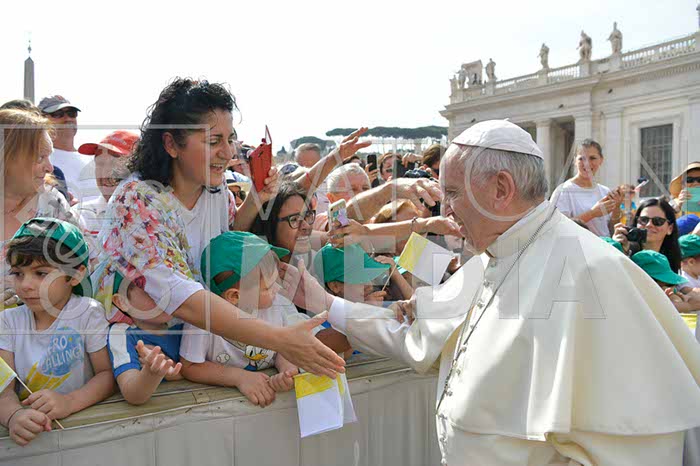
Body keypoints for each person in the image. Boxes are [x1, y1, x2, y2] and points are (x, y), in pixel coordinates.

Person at [291, 120, 700, 465]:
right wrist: (325, 303)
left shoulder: (593, 271)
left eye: (453, 193)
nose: (446, 211)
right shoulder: (493, 257)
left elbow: (633, 449)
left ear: (501, 189)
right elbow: (415, 338)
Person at [91, 78, 344, 377]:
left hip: (199, 339)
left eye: (230, 139)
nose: (228, 152)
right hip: (141, 351)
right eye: (213, 141)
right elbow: (181, 297)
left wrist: (255, 200)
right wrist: (280, 340)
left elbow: (222, 248)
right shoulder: (136, 200)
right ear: (171, 144)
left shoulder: (216, 189)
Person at [0, 219, 115, 446]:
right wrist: (14, 416)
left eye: (41, 273)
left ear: (76, 275)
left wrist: (68, 402)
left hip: (83, 436)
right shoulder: (8, 321)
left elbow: (107, 376)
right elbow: (4, 391)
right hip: (31, 442)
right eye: (18, 273)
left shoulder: (87, 313)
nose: (26, 285)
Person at [179, 232, 307, 407]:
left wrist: (287, 370)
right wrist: (239, 377)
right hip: (220, 404)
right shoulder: (202, 318)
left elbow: (284, 348)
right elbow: (190, 367)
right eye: (269, 287)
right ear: (235, 296)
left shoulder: (278, 305)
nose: (278, 288)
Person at [1, 109, 80, 308]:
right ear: (8, 157)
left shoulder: (51, 203)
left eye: (49, 157)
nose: (50, 168)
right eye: (40, 157)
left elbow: (82, 265)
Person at [105, 272, 184, 405]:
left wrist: (177, 373)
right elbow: (132, 394)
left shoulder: (185, 321)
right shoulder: (122, 334)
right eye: (151, 290)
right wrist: (152, 373)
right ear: (122, 302)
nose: (166, 297)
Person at [72, 130, 139, 241]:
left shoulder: (157, 215)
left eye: (114, 163)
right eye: (100, 163)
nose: (105, 173)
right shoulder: (79, 216)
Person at [551, 139, 621, 236]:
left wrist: (617, 208)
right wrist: (592, 213)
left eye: (592, 158)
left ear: (601, 160)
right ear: (575, 161)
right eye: (582, 159)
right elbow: (557, 227)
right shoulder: (564, 191)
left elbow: (611, 230)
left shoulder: (605, 191)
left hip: (603, 244)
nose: (587, 163)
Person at [37, 95, 98, 202]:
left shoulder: (94, 159)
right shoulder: (38, 160)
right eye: (58, 114)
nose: (68, 119)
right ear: (41, 119)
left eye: (71, 113)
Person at [613, 198, 682, 272]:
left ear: (670, 228)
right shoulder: (624, 251)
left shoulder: (674, 264)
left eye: (658, 221)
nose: (649, 224)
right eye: (643, 220)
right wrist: (614, 249)